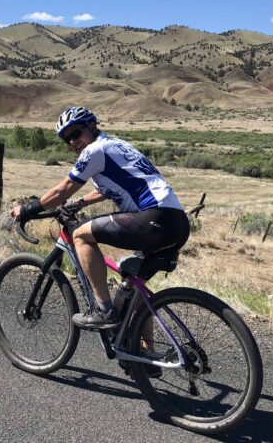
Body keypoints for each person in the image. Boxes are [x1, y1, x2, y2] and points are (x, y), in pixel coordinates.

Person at [11, 107, 190, 330]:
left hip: (153, 219)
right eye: (66, 139)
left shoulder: (94, 150)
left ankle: (104, 310)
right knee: (132, 290)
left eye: (76, 133)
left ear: (92, 126)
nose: (73, 142)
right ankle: (145, 361)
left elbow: (63, 190)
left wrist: (28, 209)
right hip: (177, 222)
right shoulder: (116, 145)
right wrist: (79, 203)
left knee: (80, 235)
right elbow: (109, 189)